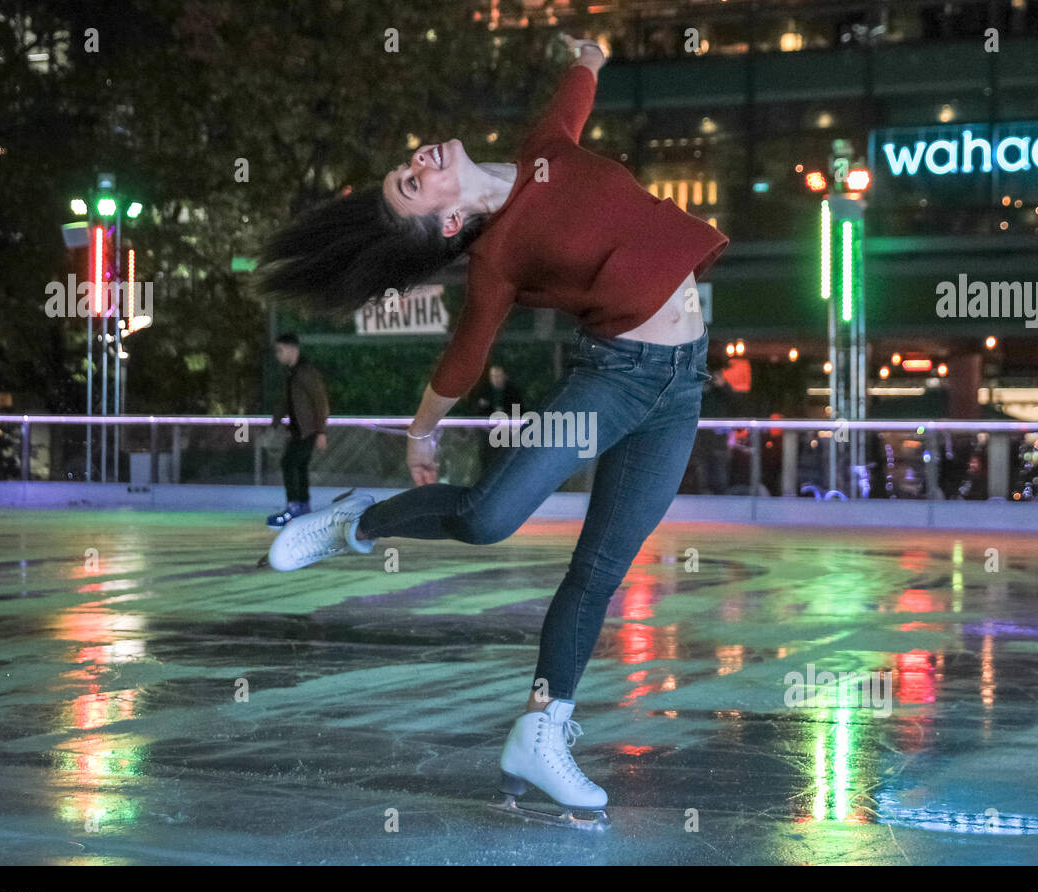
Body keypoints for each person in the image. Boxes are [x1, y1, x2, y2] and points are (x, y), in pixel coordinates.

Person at [255, 36, 727, 828]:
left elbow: (570, 101)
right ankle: (354, 520)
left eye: (407, 166)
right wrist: (420, 435)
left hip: (683, 386)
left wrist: (591, 56)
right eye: (412, 183)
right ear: (447, 223)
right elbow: (465, 355)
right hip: (614, 379)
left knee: (602, 568)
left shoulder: (545, 153)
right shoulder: (497, 258)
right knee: (485, 517)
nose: (417, 160)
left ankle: (539, 732)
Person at [267, 333, 330, 528]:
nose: (278, 355)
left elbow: (321, 403)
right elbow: (285, 401)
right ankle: (302, 506)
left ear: (292, 350)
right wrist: (274, 424)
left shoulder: (305, 373)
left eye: (280, 350)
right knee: (298, 467)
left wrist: (321, 432)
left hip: (307, 431)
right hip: (298, 431)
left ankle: (295, 508)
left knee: (289, 464)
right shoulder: (293, 373)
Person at [469, 363, 524, 475]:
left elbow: (519, 410)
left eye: (498, 375)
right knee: (487, 456)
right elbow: (477, 412)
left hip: (507, 432)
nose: (496, 379)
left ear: (504, 376)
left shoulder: (512, 392)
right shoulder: (484, 391)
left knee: (506, 456)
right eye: (493, 376)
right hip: (487, 432)